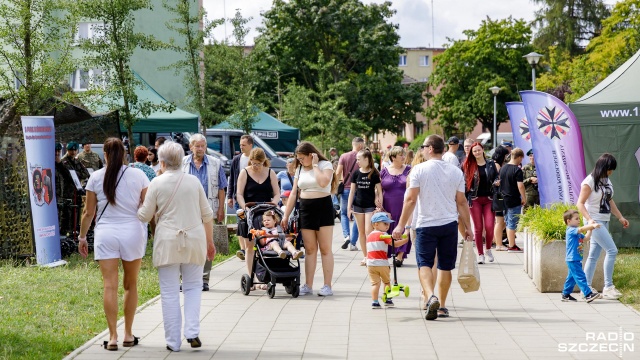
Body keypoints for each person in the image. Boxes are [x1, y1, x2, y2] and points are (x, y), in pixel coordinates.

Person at [137, 141, 216, 352]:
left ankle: (173, 341)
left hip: (168, 241)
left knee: (170, 292)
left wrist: (137, 205)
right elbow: (207, 216)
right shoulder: (193, 181)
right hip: (195, 238)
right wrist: (210, 242)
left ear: (161, 162)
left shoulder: (157, 182)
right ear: (182, 161)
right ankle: (192, 331)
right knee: (193, 287)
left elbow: (145, 216)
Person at [77, 138, 150, 351]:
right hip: (133, 232)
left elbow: (88, 213)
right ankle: (128, 333)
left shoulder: (96, 177)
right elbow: (146, 206)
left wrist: (82, 238)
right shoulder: (139, 175)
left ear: (105, 155)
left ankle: (112, 337)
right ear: (125, 154)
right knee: (131, 284)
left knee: (110, 285)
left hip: (106, 233)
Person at [392, 135, 472, 321]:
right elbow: (461, 202)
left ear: (429, 148)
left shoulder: (418, 170)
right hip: (449, 224)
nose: (421, 149)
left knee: (425, 264)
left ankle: (430, 296)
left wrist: (401, 225)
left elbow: (411, 199)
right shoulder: (455, 171)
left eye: (423, 146)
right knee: (445, 266)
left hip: (426, 224)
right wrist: (468, 227)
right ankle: (442, 306)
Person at [282, 141, 337, 296]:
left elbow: (323, 182)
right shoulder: (299, 168)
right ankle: (308, 284)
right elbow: (294, 192)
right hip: (305, 207)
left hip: (323, 207)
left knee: (325, 248)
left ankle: (327, 285)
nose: (300, 161)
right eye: (298, 158)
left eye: (302, 158)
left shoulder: (325, 165)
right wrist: (286, 214)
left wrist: (314, 166)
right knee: (310, 248)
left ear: (311, 155)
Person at [576, 153, 628, 300]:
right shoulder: (589, 181)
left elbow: (610, 201)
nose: (611, 172)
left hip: (604, 220)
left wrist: (620, 217)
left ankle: (585, 288)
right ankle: (608, 287)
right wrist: (590, 221)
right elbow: (580, 203)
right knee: (612, 250)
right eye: (610, 169)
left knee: (593, 255)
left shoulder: (606, 180)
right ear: (604, 167)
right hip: (595, 222)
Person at [181, 133, 227, 292]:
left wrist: (221, 209)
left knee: (207, 243)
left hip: (208, 209)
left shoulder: (215, 163)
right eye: (197, 146)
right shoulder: (182, 163)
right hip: (187, 210)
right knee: (186, 244)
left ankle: (204, 279)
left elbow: (222, 188)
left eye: (203, 146)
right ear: (191, 147)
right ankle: (186, 279)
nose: (200, 149)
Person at [236, 148, 280, 288]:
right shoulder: (245, 172)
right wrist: (245, 208)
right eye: (253, 163)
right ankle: (250, 276)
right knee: (250, 247)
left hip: (266, 211)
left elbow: (277, 193)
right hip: (250, 210)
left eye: (258, 164)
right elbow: (239, 194)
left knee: (265, 244)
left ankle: (264, 277)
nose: (255, 166)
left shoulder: (270, 172)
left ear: (264, 162)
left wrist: (274, 204)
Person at [462, 142, 498, 264]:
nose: (477, 153)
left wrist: (497, 182)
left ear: (483, 150)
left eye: (478, 150)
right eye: (474, 151)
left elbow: (496, 177)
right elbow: (465, 184)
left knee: (489, 226)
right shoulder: (469, 165)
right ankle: (480, 254)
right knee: (478, 228)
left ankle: (488, 249)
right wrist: (467, 198)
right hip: (475, 199)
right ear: (472, 153)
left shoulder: (491, 164)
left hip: (489, 199)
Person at [347, 149, 383, 266]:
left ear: (366, 160)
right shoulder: (356, 173)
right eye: (356, 159)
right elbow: (352, 192)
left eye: (359, 159)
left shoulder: (374, 173)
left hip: (370, 206)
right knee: (361, 232)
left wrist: (380, 205)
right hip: (358, 206)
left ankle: (372, 255)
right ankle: (366, 256)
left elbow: (379, 191)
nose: (357, 161)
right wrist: (349, 208)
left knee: (369, 231)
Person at [367, 212, 409, 309]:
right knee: (386, 282)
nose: (387, 226)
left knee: (374, 283)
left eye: (388, 224)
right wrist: (405, 240)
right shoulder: (383, 235)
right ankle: (388, 299)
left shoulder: (369, 236)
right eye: (385, 223)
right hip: (382, 263)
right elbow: (395, 244)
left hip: (370, 264)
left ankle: (375, 302)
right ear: (375, 224)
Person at [380, 146, 412, 266]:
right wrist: (377, 200)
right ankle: (390, 253)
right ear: (393, 157)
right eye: (401, 155)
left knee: (402, 227)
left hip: (403, 204)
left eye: (404, 154)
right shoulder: (384, 170)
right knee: (388, 228)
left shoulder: (409, 170)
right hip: (387, 205)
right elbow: (379, 188)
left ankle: (400, 255)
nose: (404, 157)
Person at [561, 210, 602, 303]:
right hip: (572, 258)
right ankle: (588, 294)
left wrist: (590, 229)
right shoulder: (571, 230)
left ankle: (565, 294)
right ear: (568, 221)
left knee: (571, 278)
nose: (579, 220)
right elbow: (581, 229)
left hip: (575, 258)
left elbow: (586, 238)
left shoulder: (577, 232)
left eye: (579, 218)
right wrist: (591, 225)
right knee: (580, 276)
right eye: (576, 219)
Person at [227, 134, 254, 260]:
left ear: (250, 145)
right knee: (241, 221)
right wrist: (230, 196)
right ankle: (242, 249)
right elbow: (232, 177)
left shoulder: (256, 158)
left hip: (253, 197)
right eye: (240, 145)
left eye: (243, 145)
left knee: (254, 221)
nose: (241, 147)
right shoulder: (236, 159)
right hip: (239, 196)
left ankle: (253, 247)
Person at [336, 137, 364, 250]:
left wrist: (335, 185)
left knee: (344, 214)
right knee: (358, 214)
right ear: (360, 145)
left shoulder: (344, 156)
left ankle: (346, 236)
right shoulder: (364, 157)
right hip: (360, 189)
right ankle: (353, 242)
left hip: (346, 189)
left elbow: (338, 173)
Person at [499, 148, 526, 252]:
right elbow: (520, 186)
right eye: (521, 159)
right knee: (512, 223)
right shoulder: (517, 170)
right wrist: (524, 197)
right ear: (518, 157)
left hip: (503, 199)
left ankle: (511, 244)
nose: (521, 161)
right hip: (514, 199)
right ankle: (512, 245)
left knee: (507, 221)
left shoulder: (503, 168)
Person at [492, 146, 510, 251]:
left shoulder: (493, 163)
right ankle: (498, 244)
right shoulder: (497, 165)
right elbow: (497, 181)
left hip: (497, 195)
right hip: (498, 195)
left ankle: (496, 240)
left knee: (501, 220)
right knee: (500, 220)